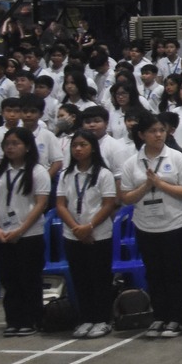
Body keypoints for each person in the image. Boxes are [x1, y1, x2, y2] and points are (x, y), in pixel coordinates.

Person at [121, 113, 182, 338]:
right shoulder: (132, 162)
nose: (158, 135)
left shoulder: (177, 157)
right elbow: (126, 197)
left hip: (175, 224)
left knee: (175, 272)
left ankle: (176, 319)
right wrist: (146, 186)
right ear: (141, 135)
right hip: (145, 225)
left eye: (161, 130)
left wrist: (160, 184)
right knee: (154, 273)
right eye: (152, 131)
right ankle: (159, 316)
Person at [0, 127, 51, 337]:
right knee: (9, 279)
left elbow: (41, 203)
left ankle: (31, 319)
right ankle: (13, 320)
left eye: (15, 143)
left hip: (29, 234)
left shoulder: (37, 171)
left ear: (27, 146)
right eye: (7, 144)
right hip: (2, 233)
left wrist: (21, 230)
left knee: (28, 278)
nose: (10, 148)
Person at [56, 130, 119, 337]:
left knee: (99, 278)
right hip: (72, 234)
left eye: (83, 145)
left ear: (93, 148)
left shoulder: (103, 174)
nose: (78, 149)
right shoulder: (66, 175)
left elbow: (108, 204)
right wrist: (76, 228)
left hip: (98, 234)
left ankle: (102, 319)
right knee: (80, 278)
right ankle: (86, 318)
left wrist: (89, 227)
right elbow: (61, 205)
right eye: (75, 145)